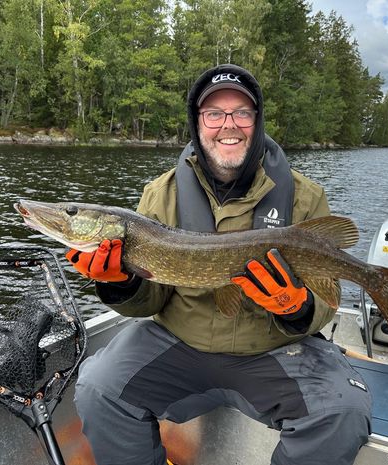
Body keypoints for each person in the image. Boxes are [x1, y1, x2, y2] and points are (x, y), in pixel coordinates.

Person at [70, 64, 372, 465]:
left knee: (342, 413)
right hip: (181, 345)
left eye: (241, 112)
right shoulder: (160, 194)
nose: (228, 124)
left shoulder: (305, 196)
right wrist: (121, 284)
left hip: (274, 351)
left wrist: (297, 308)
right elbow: (151, 300)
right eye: (214, 113)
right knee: (98, 388)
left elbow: (326, 298)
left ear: (257, 121)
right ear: (198, 123)